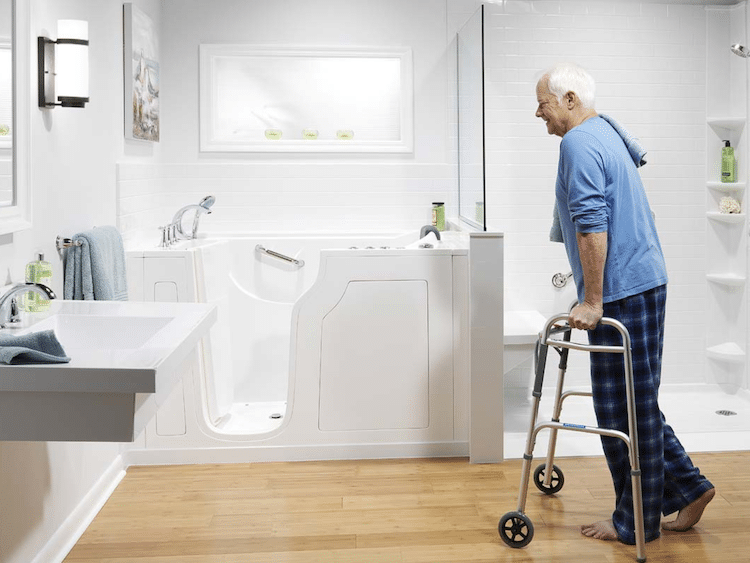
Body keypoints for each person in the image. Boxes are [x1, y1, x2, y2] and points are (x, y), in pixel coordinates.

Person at [534, 62, 715, 545]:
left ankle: (635, 521)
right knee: (633, 403)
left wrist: (592, 299)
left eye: (543, 103)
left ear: (570, 99)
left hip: (622, 290)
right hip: (643, 279)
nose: (538, 113)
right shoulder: (607, 130)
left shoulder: (578, 141)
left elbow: (592, 222)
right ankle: (690, 488)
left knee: (622, 411)